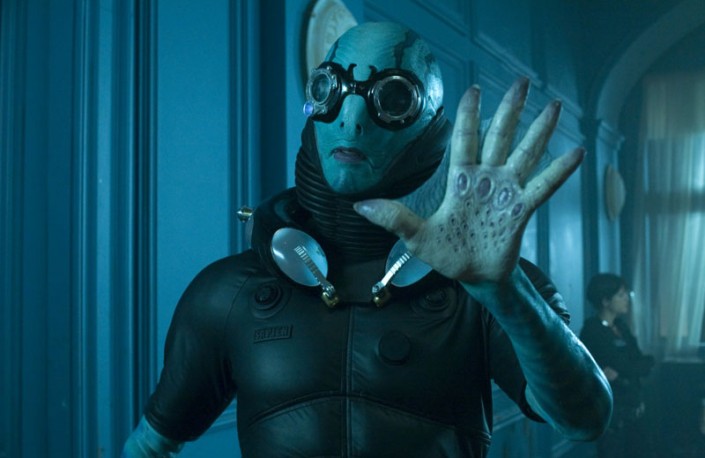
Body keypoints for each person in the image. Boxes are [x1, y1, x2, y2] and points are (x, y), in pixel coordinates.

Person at [122, 22, 612, 457]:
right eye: (330, 89)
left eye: (393, 99)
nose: (351, 119)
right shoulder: (229, 293)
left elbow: (584, 419)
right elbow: (149, 444)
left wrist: (506, 295)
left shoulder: (484, 288)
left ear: (431, 128)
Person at [580, 273, 655, 458]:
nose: (626, 299)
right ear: (606, 301)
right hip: (612, 415)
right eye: (621, 295)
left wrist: (628, 370)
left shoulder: (621, 327)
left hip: (634, 408)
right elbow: (625, 365)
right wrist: (632, 368)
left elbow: (644, 363)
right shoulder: (593, 331)